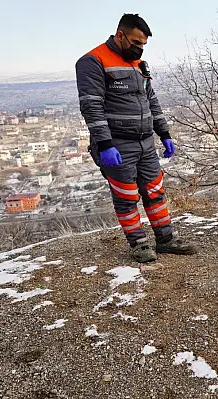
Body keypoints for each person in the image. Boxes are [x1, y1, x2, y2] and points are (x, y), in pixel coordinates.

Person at [75, 13, 197, 262]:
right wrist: (106, 144)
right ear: (120, 35)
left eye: (143, 45)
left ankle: (165, 239)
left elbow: (151, 100)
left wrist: (164, 133)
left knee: (155, 192)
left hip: (144, 142)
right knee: (126, 197)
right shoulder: (93, 61)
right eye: (136, 43)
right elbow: (91, 106)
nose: (139, 49)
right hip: (117, 144)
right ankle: (139, 244)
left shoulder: (138, 64)